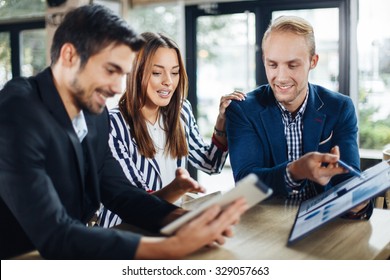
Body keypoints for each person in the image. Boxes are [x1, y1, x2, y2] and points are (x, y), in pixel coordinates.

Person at [0, 4, 248, 260]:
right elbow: (55, 233)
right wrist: (172, 247)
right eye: (110, 70)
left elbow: (121, 194)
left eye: (123, 74)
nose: (118, 88)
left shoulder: (94, 115)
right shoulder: (16, 111)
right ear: (69, 56)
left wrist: (184, 220)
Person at [225, 15, 372, 218]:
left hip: (323, 225)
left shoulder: (339, 108)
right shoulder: (242, 110)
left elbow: (347, 182)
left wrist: (357, 202)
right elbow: (245, 185)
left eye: (292, 65)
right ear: (264, 60)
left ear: (313, 61)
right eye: (273, 65)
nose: (282, 77)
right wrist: (295, 171)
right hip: (263, 228)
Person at [98, 32, 246, 228]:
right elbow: (136, 204)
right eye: (157, 72)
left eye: (174, 72)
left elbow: (211, 164)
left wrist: (222, 121)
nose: (169, 81)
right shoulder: (113, 124)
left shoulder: (181, 111)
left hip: (170, 224)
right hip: (125, 232)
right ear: (136, 73)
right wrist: (177, 188)